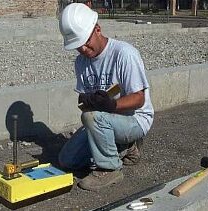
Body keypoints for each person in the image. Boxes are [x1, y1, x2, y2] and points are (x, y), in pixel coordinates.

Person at [58, 3, 154, 191]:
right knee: (67, 160)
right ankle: (124, 147)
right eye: (78, 46)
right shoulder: (81, 62)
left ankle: (109, 169)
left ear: (98, 30)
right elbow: (88, 103)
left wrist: (111, 104)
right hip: (104, 120)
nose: (84, 49)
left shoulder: (124, 54)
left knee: (91, 118)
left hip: (135, 120)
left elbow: (139, 99)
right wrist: (87, 101)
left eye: (86, 42)